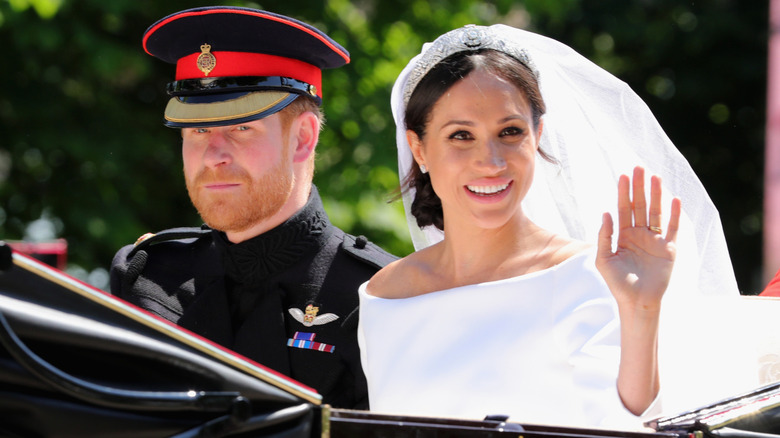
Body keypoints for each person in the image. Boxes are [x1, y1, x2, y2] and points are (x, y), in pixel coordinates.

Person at [358, 24, 750, 429]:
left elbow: (626, 429)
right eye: (461, 136)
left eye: (510, 132)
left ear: (538, 134)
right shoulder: (383, 297)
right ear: (419, 148)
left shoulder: (593, 275)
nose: (490, 161)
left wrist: (641, 311)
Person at [110, 6, 396, 410]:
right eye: (198, 130)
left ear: (302, 138)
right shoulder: (147, 276)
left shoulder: (376, 297)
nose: (213, 156)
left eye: (241, 128)